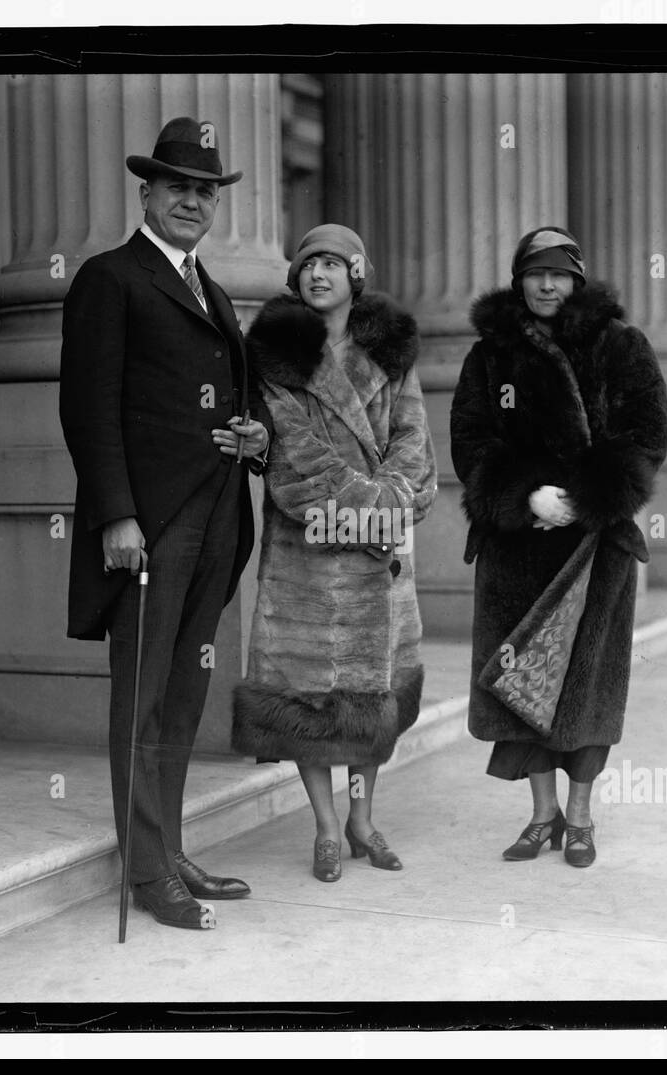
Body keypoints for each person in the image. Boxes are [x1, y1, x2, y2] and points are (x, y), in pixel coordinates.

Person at [59, 117, 270, 930]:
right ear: (147, 192)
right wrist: (116, 514)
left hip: (219, 512)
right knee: (142, 696)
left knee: (184, 696)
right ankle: (148, 871)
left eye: (206, 191)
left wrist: (256, 435)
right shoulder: (109, 279)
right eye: (179, 186)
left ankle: (169, 845)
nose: (193, 201)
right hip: (151, 523)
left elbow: (228, 388)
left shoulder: (207, 287)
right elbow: (88, 407)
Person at [450, 226, 667, 868]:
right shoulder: (489, 356)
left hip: (595, 546)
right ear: (518, 280)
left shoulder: (622, 346)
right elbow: (471, 439)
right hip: (516, 548)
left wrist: (587, 496)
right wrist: (524, 498)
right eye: (534, 273)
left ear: (578, 279)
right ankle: (541, 815)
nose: (547, 285)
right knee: (522, 678)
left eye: (559, 274)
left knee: (586, 681)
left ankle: (579, 816)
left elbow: (648, 435)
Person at [231, 225, 437, 881]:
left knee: (371, 700)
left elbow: (415, 447)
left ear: (356, 274)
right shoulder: (271, 358)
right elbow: (290, 458)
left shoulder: (393, 356)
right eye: (307, 264)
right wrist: (370, 509)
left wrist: (390, 503)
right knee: (309, 699)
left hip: (378, 561)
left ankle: (361, 819)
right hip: (307, 557)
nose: (318, 273)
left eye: (331, 263)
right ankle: (324, 828)